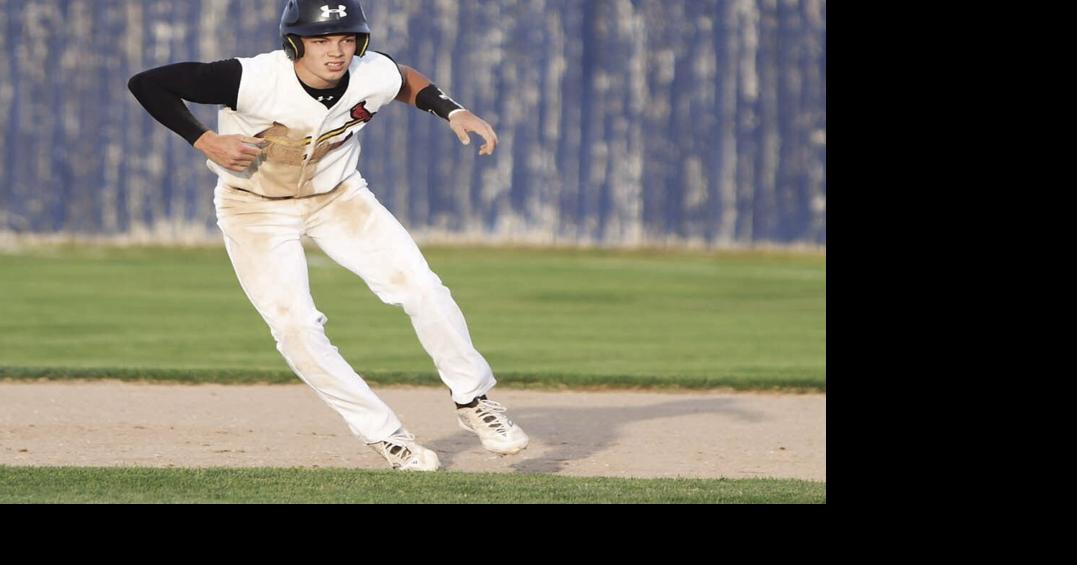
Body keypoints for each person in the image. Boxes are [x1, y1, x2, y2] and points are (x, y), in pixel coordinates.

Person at [127, 0, 528, 472]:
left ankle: (474, 400)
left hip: (337, 197)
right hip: (254, 208)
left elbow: (404, 80)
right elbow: (147, 83)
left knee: (422, 288)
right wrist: (205, 140)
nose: (336, 51)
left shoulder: (370, 72)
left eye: (346, 39)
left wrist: (452, 111)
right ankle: (385, 435)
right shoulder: (249, 78)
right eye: (320, 40)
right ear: (295, 43)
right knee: (295, 328)